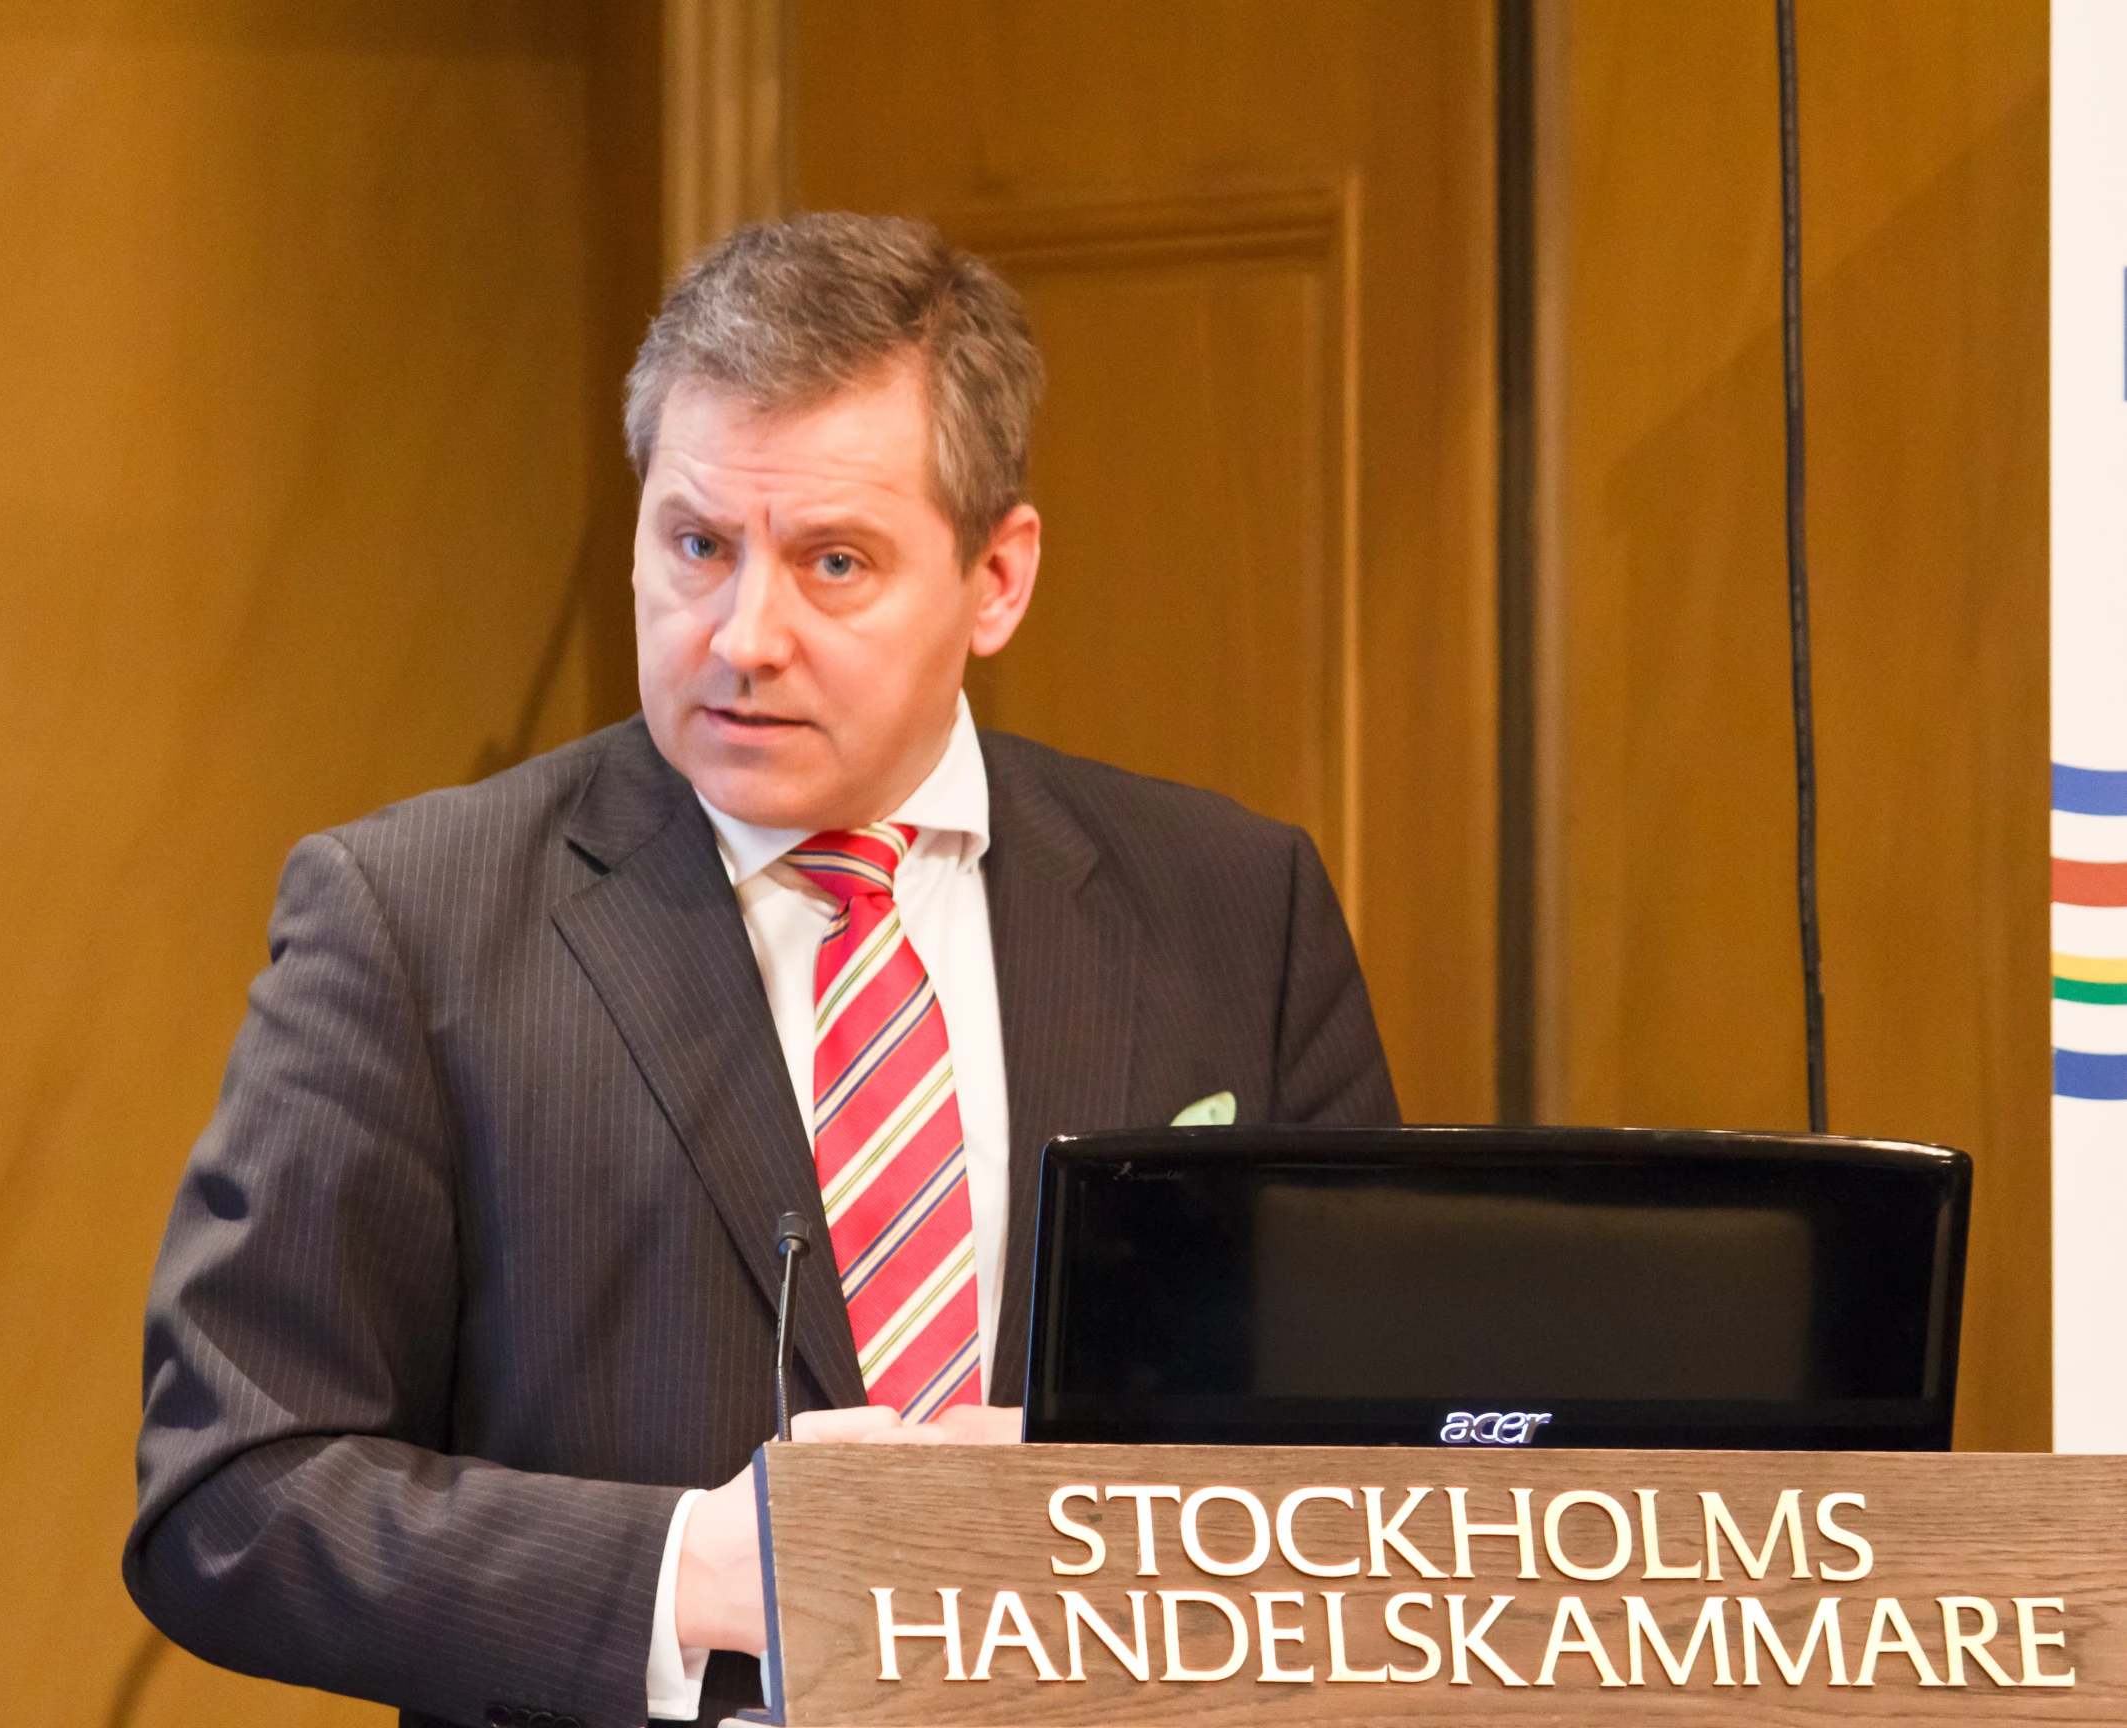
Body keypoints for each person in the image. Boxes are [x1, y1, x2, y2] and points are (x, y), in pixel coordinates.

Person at [124, 213, 1397, 1728]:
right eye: (699, 546)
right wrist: (686, 1573)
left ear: (998, 576)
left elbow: (1381, 1461)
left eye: (834, 563)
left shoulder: (1232, 908)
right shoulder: (415, 922)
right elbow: (232, 1496)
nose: (744, 637)